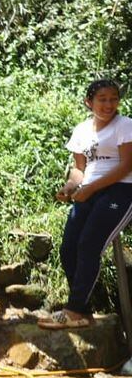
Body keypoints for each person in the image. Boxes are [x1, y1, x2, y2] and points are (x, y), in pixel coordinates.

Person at [40, 79, 132, 330]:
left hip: (121, 190)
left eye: (113, 99)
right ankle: (82, 312)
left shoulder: (125, 125)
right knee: (68, 248)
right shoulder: (81, 130)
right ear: (88, 102)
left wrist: (91, 188)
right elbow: (79, 169)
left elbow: (126, 166)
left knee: (89, 244)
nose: (109, 104)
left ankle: (73, 310)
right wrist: (71, 186)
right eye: (102, 99)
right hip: (88, 191)